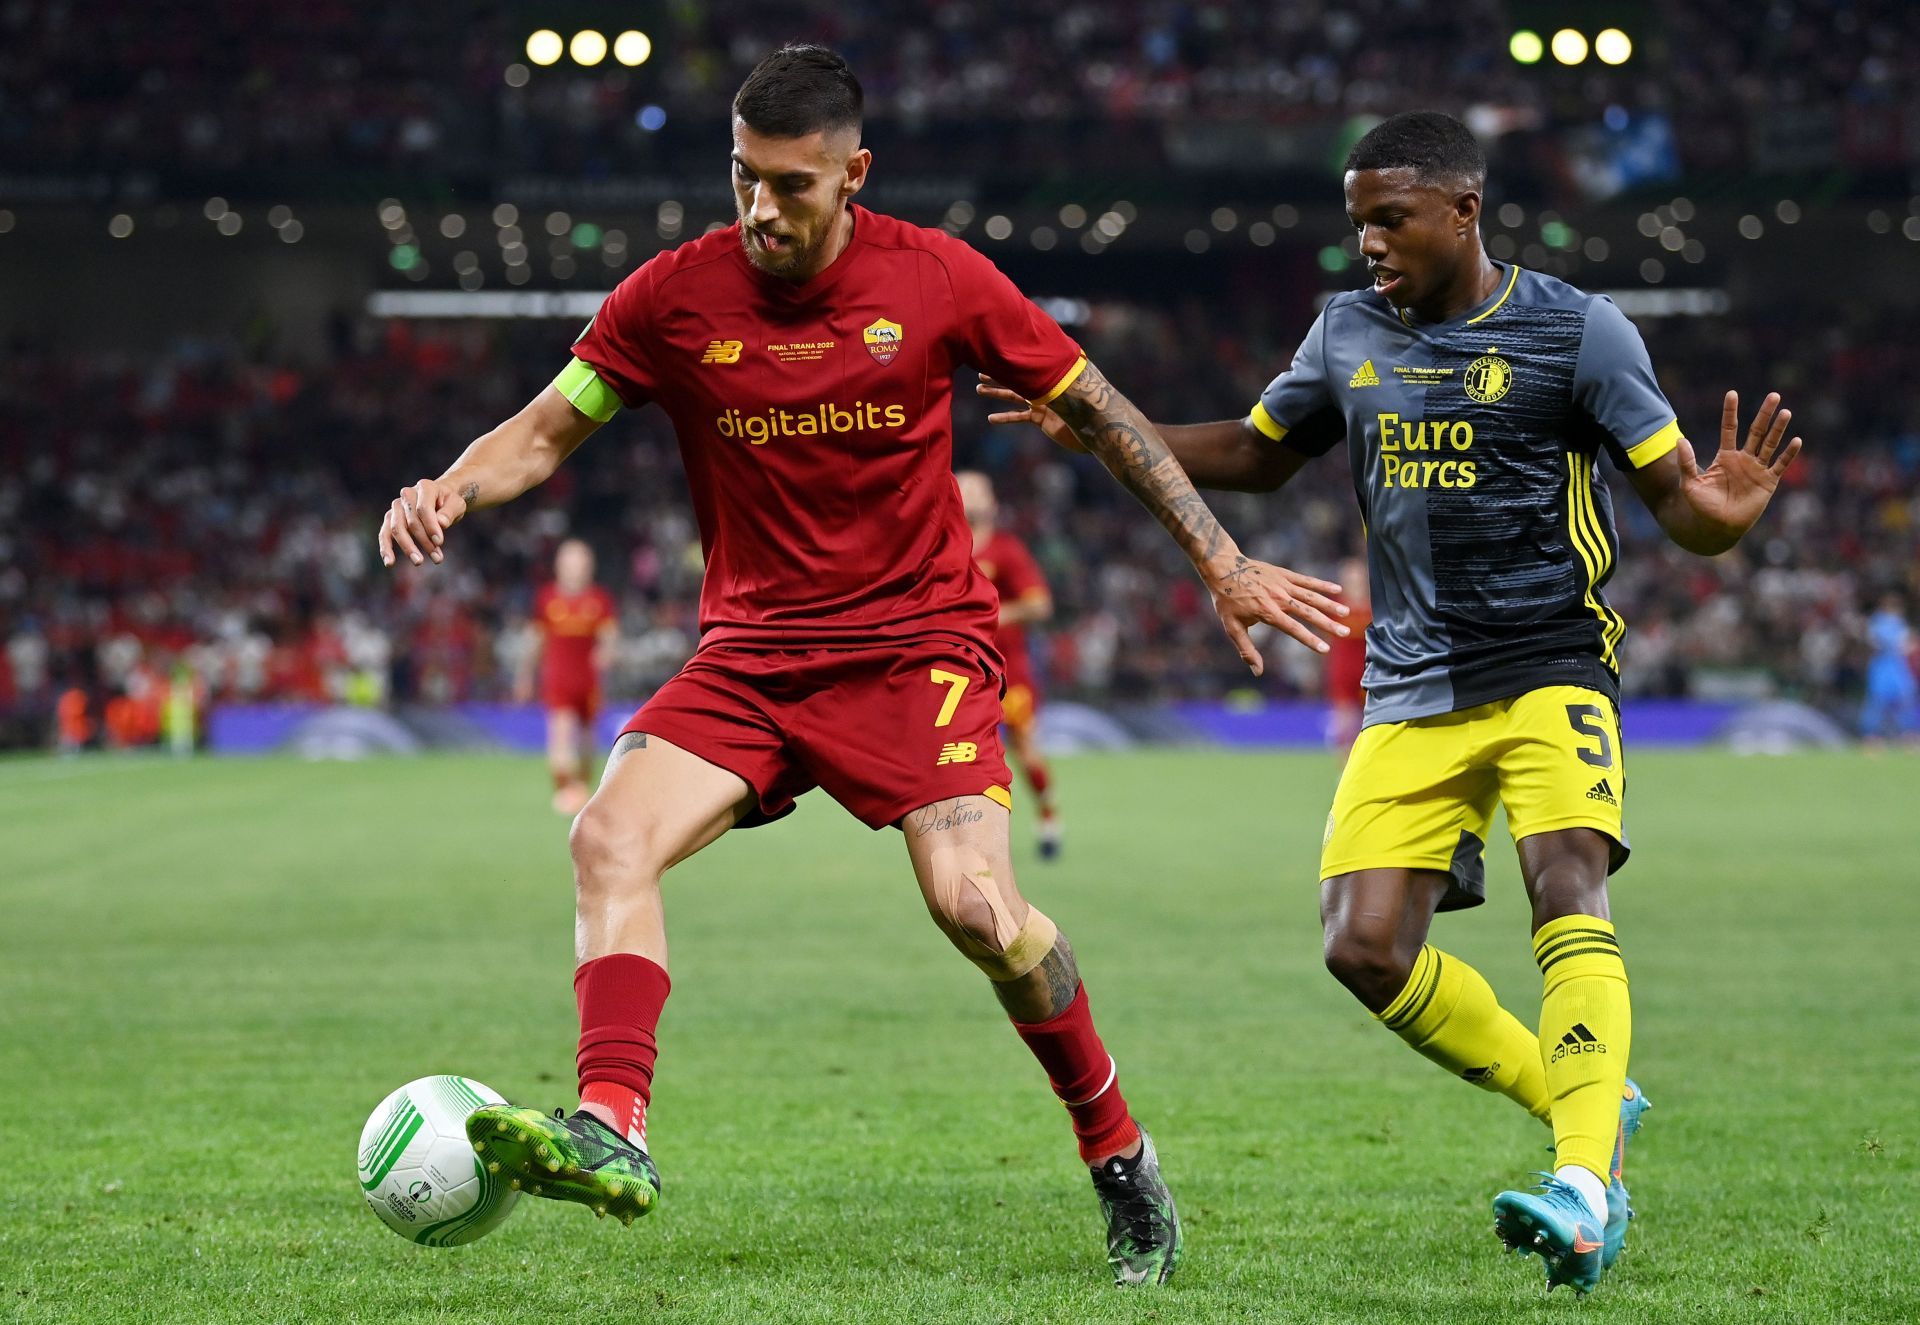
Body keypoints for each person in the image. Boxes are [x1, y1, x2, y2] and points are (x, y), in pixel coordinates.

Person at [375, 44, 1347, 1286]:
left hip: (916, 643)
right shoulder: (672, 296)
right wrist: (451, 487)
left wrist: (1219, 557)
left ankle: (1119, 1156)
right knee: (605, 841)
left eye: (789, 184)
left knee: (980, 912)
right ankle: (614, 1130)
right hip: (755, 652)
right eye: (743, 180)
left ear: (854, 175)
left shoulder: (937, 279)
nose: (761, 210)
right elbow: (549, 425)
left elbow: (1101, 407)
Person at [980, 110, 1803, 1295]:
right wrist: (1109, 430)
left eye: (1390, 218)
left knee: (1566, 876)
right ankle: (1579, 1094)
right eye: (1357, 218)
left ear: (1464, 210)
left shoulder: (1580, 331)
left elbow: (1685, 507)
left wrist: (1728, 510)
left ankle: (1583, 1182)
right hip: (1411, 689)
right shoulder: (1346, 330)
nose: (1367, 242)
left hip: (1549, 662)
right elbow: (1264, 452)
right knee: (1362, 948)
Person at [956, 471, 1063, 857]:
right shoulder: (940, 547)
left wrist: (989, 616)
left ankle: (1048, 817)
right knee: (958, 755)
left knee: (1024, 747)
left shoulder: (1006, 550)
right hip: (956, 673)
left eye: (976, 489)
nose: (967, 494)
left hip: (1007, 671)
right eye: (960, 487)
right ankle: (971, 840)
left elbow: (1040, 604)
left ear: (992, 502)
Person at [517, 539, 619, 815]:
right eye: (570, 562)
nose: (576, 568)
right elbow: (536, 640)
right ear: (560, 566)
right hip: (559, 678)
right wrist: (525, 675)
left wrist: (607, 653)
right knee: (560, 736)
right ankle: (565, 790)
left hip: (588, 680)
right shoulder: (547, 598)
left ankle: (582, 788)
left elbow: (609, 636)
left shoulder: (599, 599)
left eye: (581, 563)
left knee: (587, 741)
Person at [1323, 555, 1371, 755]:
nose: (1355, 581)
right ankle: (1344, 766)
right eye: (1351, 577)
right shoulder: (1335, 607)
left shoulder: (1376, 605)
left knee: (1370, 720)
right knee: (1345, 721)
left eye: (1358, 577)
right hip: (1343, 671)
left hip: (1370, 669)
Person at [1859, 595, 1917, 745]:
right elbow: (1900, 646)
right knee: (1879, 702)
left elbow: (1905, 647)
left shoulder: (1898, 624)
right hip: (1884, 667)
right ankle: (1873, 737)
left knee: (1903, 702)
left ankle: (1907, 735)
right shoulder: (1879, 623)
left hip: (1896, 667)